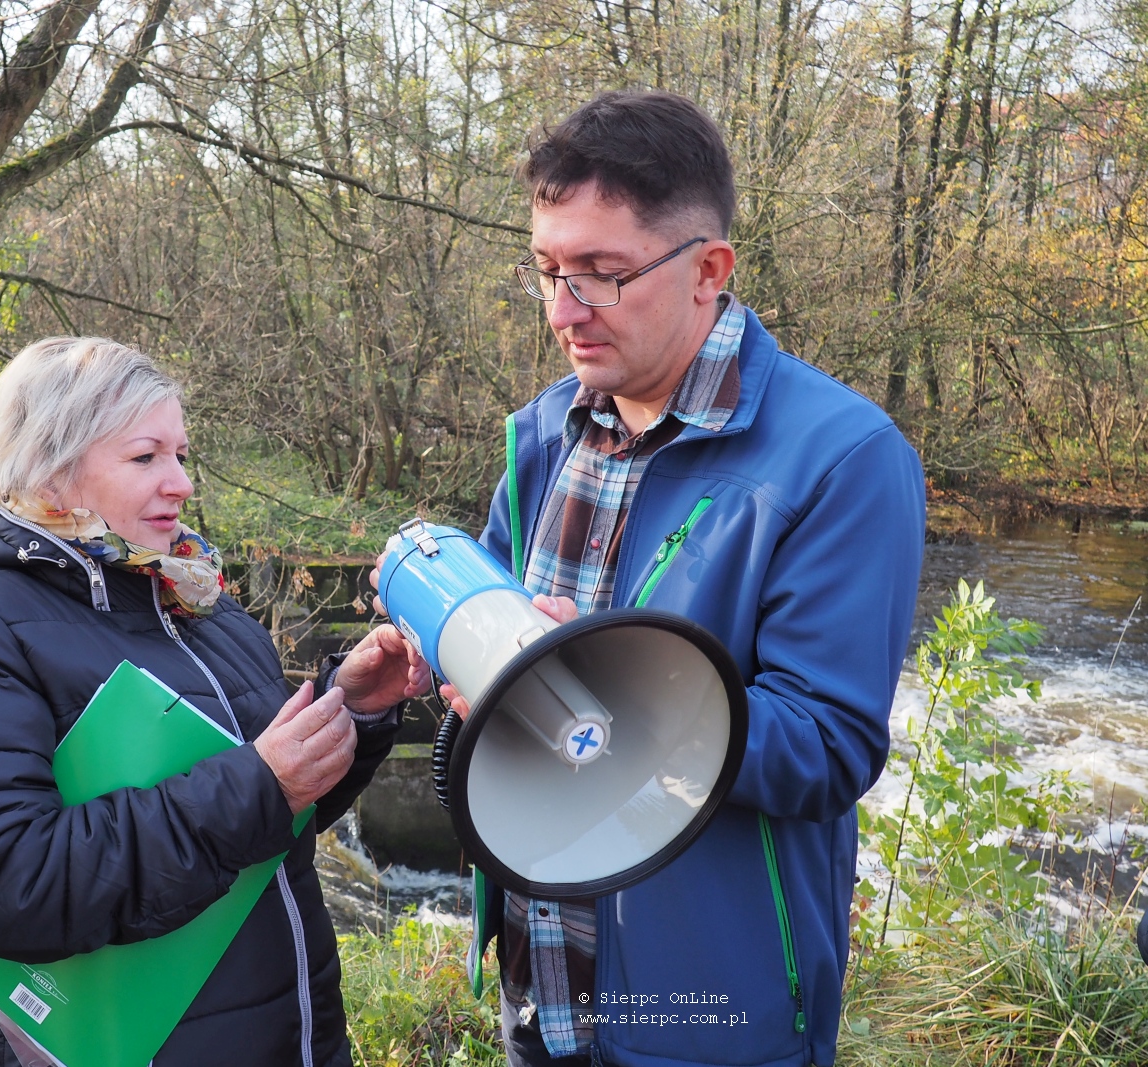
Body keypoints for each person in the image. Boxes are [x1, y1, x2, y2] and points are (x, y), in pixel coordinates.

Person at [380, 91, 925, 1067]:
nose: (561, 310)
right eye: (546, 270)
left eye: (600, 273)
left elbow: (829, 745)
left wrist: (603, 686)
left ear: (707, 269)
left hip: (709, 1003)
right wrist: (465, 675)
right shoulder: (540, 432)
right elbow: (499, 675)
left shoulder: (840, 457)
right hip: (541, 992)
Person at [0, 336, 430, 1067]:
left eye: (180, 454)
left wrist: (350, 712)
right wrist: (256, 785)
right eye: (146, 457)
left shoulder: (195, 600)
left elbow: (265, 824)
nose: (179, 483)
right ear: (50, 465)